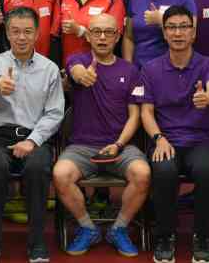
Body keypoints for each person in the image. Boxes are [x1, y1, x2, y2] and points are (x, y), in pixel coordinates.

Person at [55, 13, 148, 257]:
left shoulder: (131, 70)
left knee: (142, 174)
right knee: (61, 174)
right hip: (82, 147)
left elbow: (135, 116)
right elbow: (75, 70)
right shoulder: (79, 59)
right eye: (96, 32)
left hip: (120, 146)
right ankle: (88, 228)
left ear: (118, 36)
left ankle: (119, 228)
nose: (103, 37)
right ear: (89, 36)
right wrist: (81, 75)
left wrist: (118, 144)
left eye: (109, 32)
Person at [0, 7, 65, 263]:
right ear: (7, 33)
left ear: (37, 34)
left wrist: (32, 140)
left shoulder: (49, 69)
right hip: (0, 135)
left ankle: (37, 242)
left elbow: (54, 113)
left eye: (27, 32)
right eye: (15, 31)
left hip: (34, 135)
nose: (21, 37)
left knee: (38, 168)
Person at [139, 6, 209, 263]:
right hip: (166, 140)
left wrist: (207, 97)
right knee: (164, 172)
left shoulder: (208, 64)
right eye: (171, 27)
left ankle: (203, 237)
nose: (177, 33)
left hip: (200, 140)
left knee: (206, 172)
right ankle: (165, 237)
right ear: (164, 33)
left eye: (184, 27)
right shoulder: (150, 69)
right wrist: (158, 138)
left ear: (193, 32)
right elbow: (146, 112)